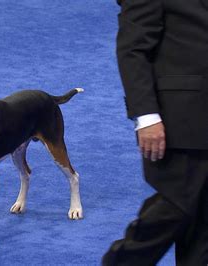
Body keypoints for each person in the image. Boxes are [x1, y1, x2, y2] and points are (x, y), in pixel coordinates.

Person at [102, 0, 208, 265]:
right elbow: (132, 48)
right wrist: (146, 116)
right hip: (181, 118)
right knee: (174, 207)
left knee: (202, 223)